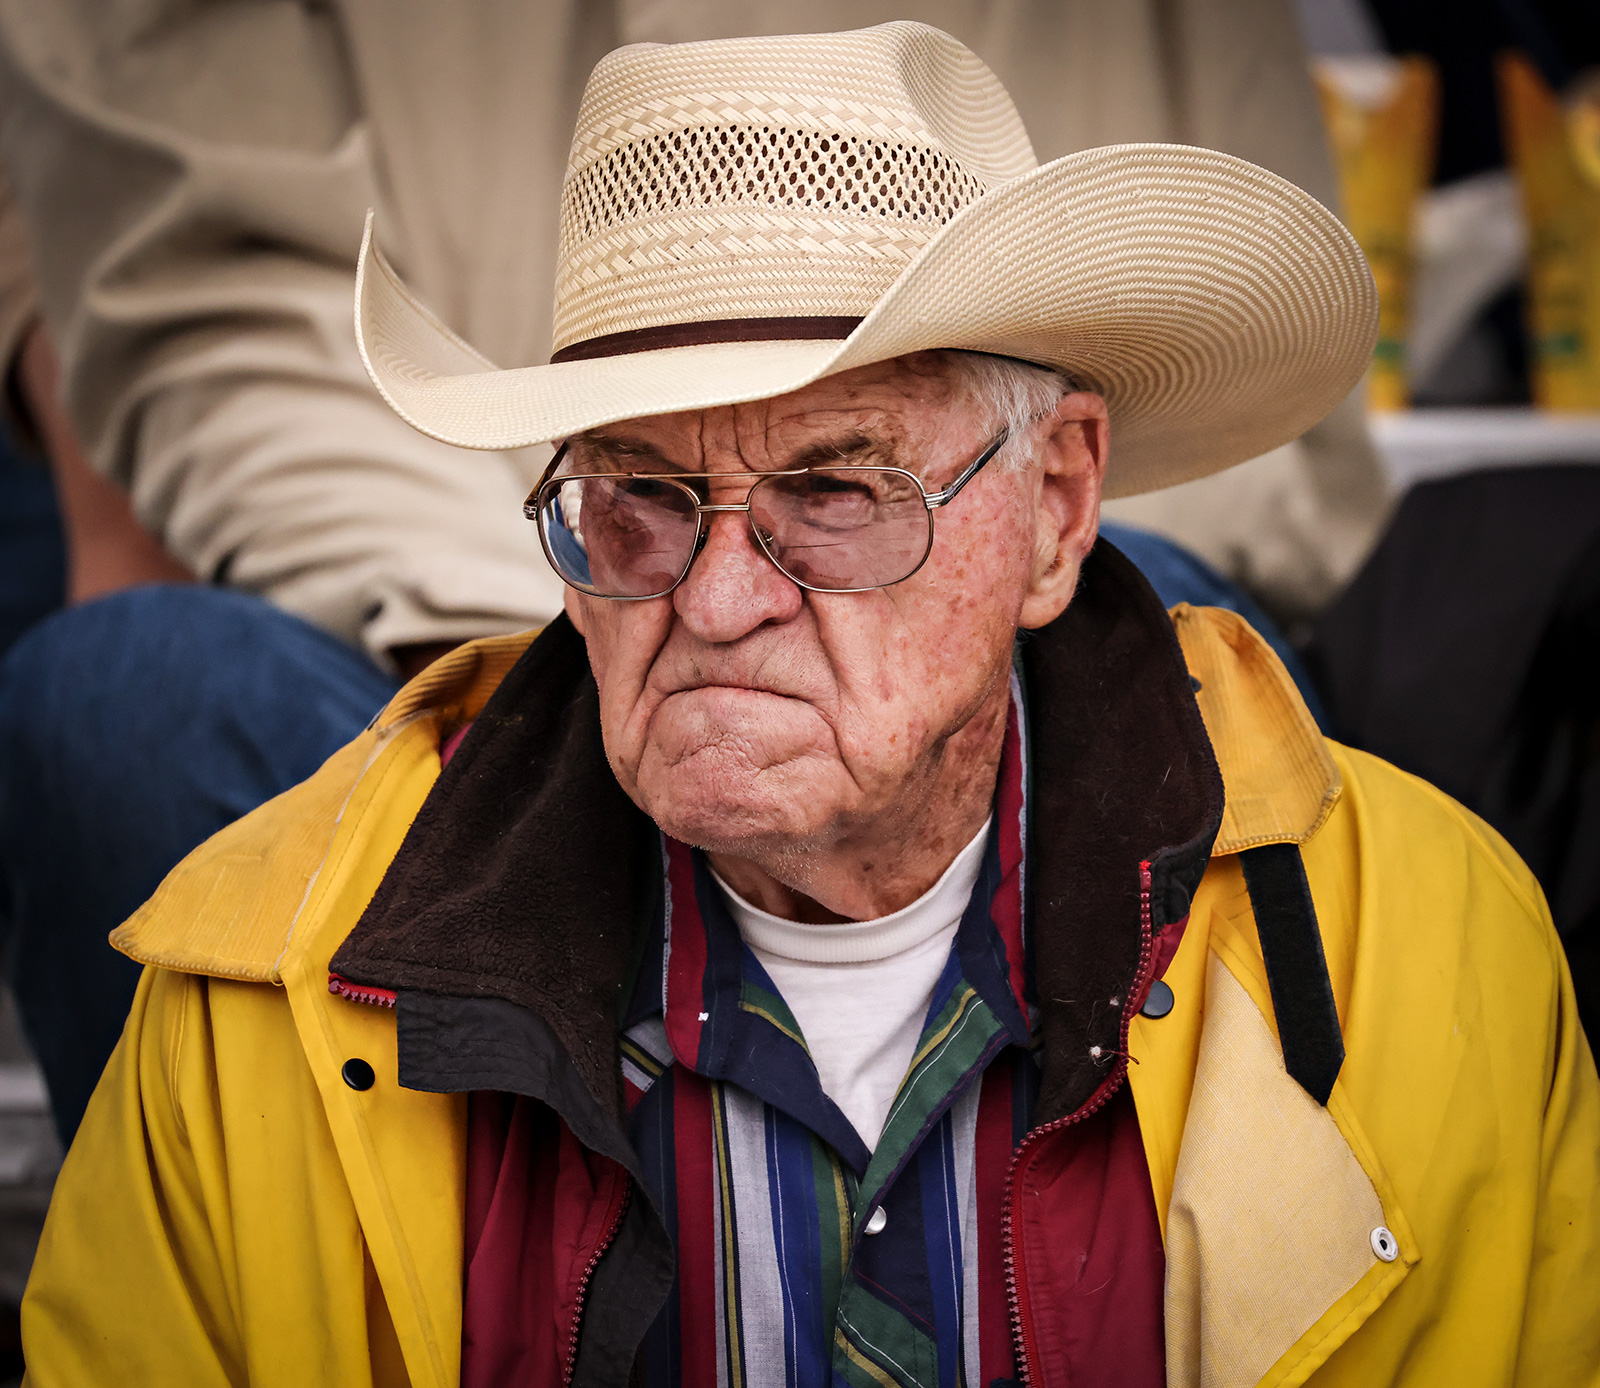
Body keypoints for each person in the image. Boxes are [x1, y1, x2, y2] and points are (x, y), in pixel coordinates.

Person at [23, 24, 1597, 1387]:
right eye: (634, 497)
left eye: (836, 490)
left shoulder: (1423, 952)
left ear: (1056, 509)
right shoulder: (254, 1003)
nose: (714, 602)